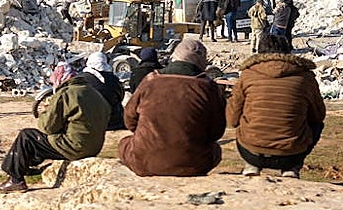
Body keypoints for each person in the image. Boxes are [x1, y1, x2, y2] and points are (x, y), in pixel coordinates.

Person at [117, 38, 226, 177]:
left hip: (144, 162)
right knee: (215, 150)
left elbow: (130, 119)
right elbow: (216, 131)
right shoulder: (209, 87)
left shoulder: (151, 80)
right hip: (194, 164)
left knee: (124, 144)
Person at [0, 63, 111, 193]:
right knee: (43, 141)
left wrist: (46, 111)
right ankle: (27, 168)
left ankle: (15, 179)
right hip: (94, 147)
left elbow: (47, 127)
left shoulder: (66, 94)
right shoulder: (94, 93)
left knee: (27, 136)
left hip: (76, 148)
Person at [227, 32, 326, 178]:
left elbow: (231, 120)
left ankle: (252, 166)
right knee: (317, 125)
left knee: (242, 117)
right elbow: (318, 115)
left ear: (259, 51)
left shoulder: (247, 75)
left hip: (251, 151)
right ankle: (292, 168)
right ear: (288, 51)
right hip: (292, 153)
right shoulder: (305, 76)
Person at [81, 51, 125, 130]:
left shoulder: (81, 78)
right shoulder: (112, 79)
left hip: (88, 122)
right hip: (113, 121)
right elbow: (121, 95)